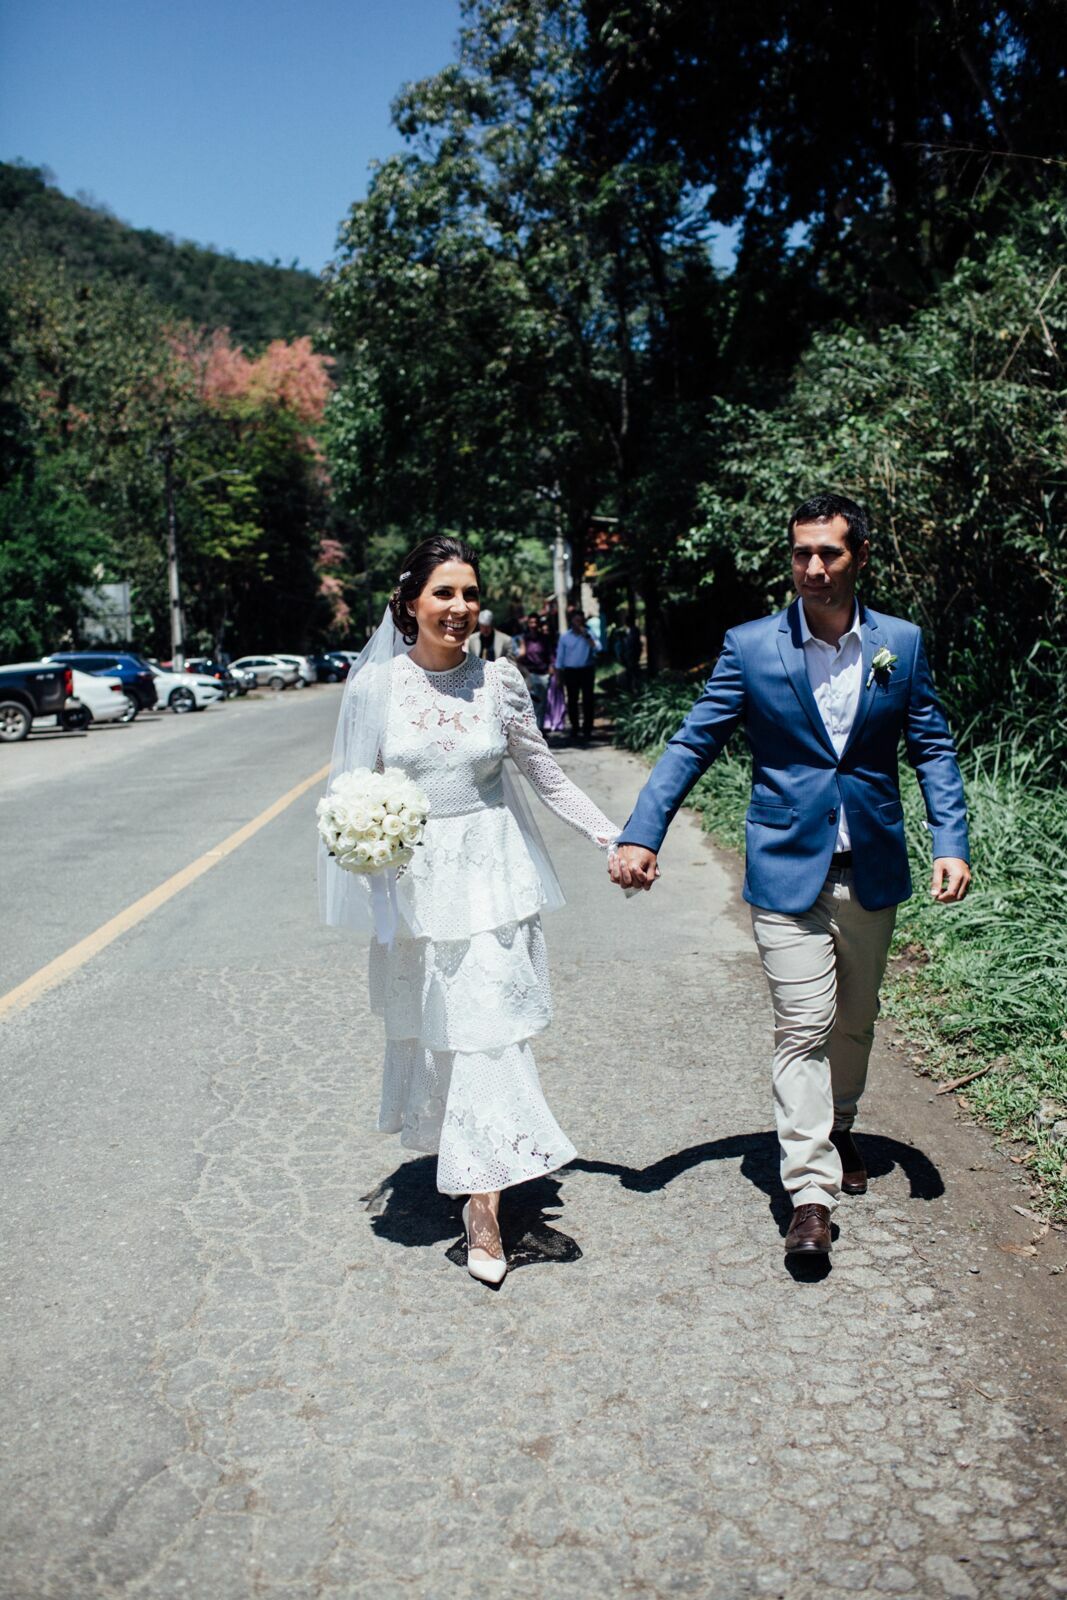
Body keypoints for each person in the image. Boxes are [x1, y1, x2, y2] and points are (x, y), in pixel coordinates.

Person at [609, 493, 971, 1258]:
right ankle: (807, 1194)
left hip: (867, 864)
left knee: (854, 1019)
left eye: (828, 553)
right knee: (802, 1025)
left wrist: (951, 839)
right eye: (800, 553)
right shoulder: (750, 647)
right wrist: (643, 834)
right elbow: (690, 745)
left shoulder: (898, 645)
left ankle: (837, 1128)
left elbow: (932, 748)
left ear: (858, 557)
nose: (811, 568)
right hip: (783, 870)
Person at [321, 536, 619, 1287]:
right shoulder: (375, 689)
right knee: (446, 1040)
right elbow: (351, 792)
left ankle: (481, 1214)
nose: (459, 609)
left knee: (491, 1035)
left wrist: (617, 837)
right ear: (410, 603)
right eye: (444, 594)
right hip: (419, 889)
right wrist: (366, 847)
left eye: (469, 595)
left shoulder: (499, 682)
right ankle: (476, 1164)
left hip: (493, 882)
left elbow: (544, 775)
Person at [554, 608, 598, 743]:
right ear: (571, 622)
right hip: (571, 671)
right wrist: (559, 676)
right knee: (572, 700)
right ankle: (575, 727)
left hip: (586, 670)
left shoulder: (589, 634)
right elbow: (560, 658)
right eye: (576, 620)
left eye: (580, 620)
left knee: (588, 700)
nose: (578, 623)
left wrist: (586, 636)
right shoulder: (565, 637)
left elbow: (598, 648)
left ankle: (587, 728)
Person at [515, 613, 553, 729]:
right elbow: (518, 657)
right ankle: (529, 729)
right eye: (531, 623)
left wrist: (552, 668)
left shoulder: (545, 639)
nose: (533, 625)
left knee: (541, 704)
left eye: (535, 623)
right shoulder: (523, 639)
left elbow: (550, 655)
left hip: (542, 674)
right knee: (527, 703)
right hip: (528, 674)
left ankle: (539, 729)